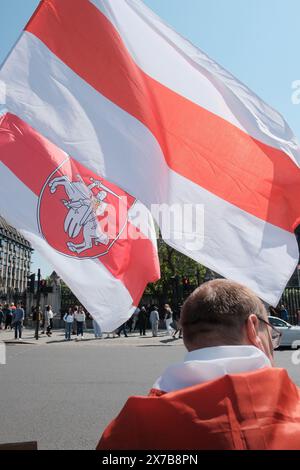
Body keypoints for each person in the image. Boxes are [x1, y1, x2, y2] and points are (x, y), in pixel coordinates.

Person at [97, 280, 300, 450]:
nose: (273, 344)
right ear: (253, 327)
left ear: (186, 337)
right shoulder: (294, 406)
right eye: (271, 333)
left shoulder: (132, 424)